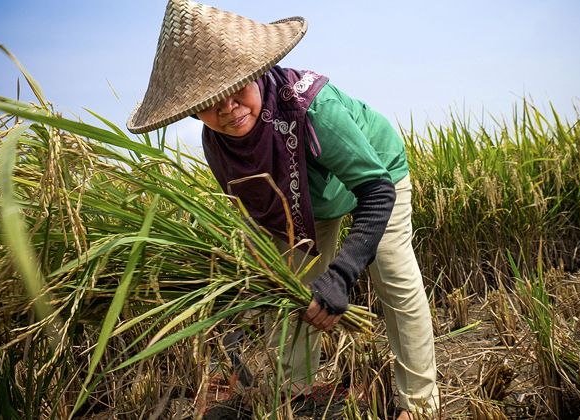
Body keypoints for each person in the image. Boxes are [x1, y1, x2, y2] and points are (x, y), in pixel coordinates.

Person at [127, 1, 439, 417]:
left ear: (257, 71)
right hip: (306, 203)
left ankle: (420, 405)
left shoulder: (312, 106)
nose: (227, 108)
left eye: (236, 88)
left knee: (394, 275)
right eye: (209, 101)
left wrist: (342, 275)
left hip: (376, 174)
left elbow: (377, 191)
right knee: (293, 289)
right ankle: (297, 390)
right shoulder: (216, 144)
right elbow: (255, 214)